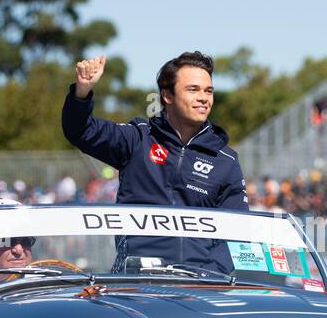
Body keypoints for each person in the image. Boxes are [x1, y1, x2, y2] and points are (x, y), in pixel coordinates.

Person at [61, 51, 248, 274]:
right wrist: (82, 93)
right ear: (167, 96)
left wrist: (206, 276)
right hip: (134, 286)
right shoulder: (137, 138)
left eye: (208, 91)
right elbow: (80, 131)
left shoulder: (225, 160)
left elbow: (239, 231)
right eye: (193, 89)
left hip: (200, 288)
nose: (203, 98)